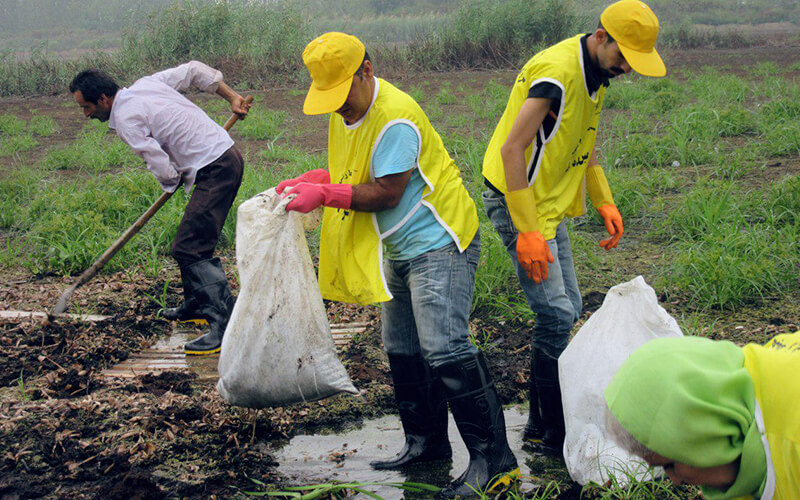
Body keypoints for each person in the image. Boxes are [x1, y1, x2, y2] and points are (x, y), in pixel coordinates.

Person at [276, 32, 518, 497]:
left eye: (343, 94)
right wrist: (320, 179)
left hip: (438, 242)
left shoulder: (395, 116)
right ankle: (425, 445)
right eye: (329, 97)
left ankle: (496, 462)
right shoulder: (345, 114)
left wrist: (326, 195)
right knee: (402, 346)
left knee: (445, 348)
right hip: (398, 245)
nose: (339, 106)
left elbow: (387, 191)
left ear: (367, 69)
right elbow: (357, 173)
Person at [480, 0, 666, 454]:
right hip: (517, 199)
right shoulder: (556, 74)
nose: (627, 68)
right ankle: (549, 433)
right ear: (601, 37)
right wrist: (526, 230)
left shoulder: (597, 74)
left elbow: (585, 140)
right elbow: (511, 151)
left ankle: (540, 423)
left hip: (547, 203)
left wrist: (603, 198)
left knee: (569, 306)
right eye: (623, 57)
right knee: (557, 314)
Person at [69, 61, 250, 356]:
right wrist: (230, 96)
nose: (87, 115)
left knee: (189, 248)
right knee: (188, 241)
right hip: (223, 156)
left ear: (103, 98)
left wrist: (170, 180)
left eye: (86, 107)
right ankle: (195, 303)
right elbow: (193, 70)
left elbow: (156, 160)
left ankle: (225, 326)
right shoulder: (147, 83)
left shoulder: (126, 119)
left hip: (215, 167)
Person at [605, 333, 800, 498]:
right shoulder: (739, 389)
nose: (675, 480)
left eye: (670, 465)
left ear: (699, 429)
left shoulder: (794, 437)